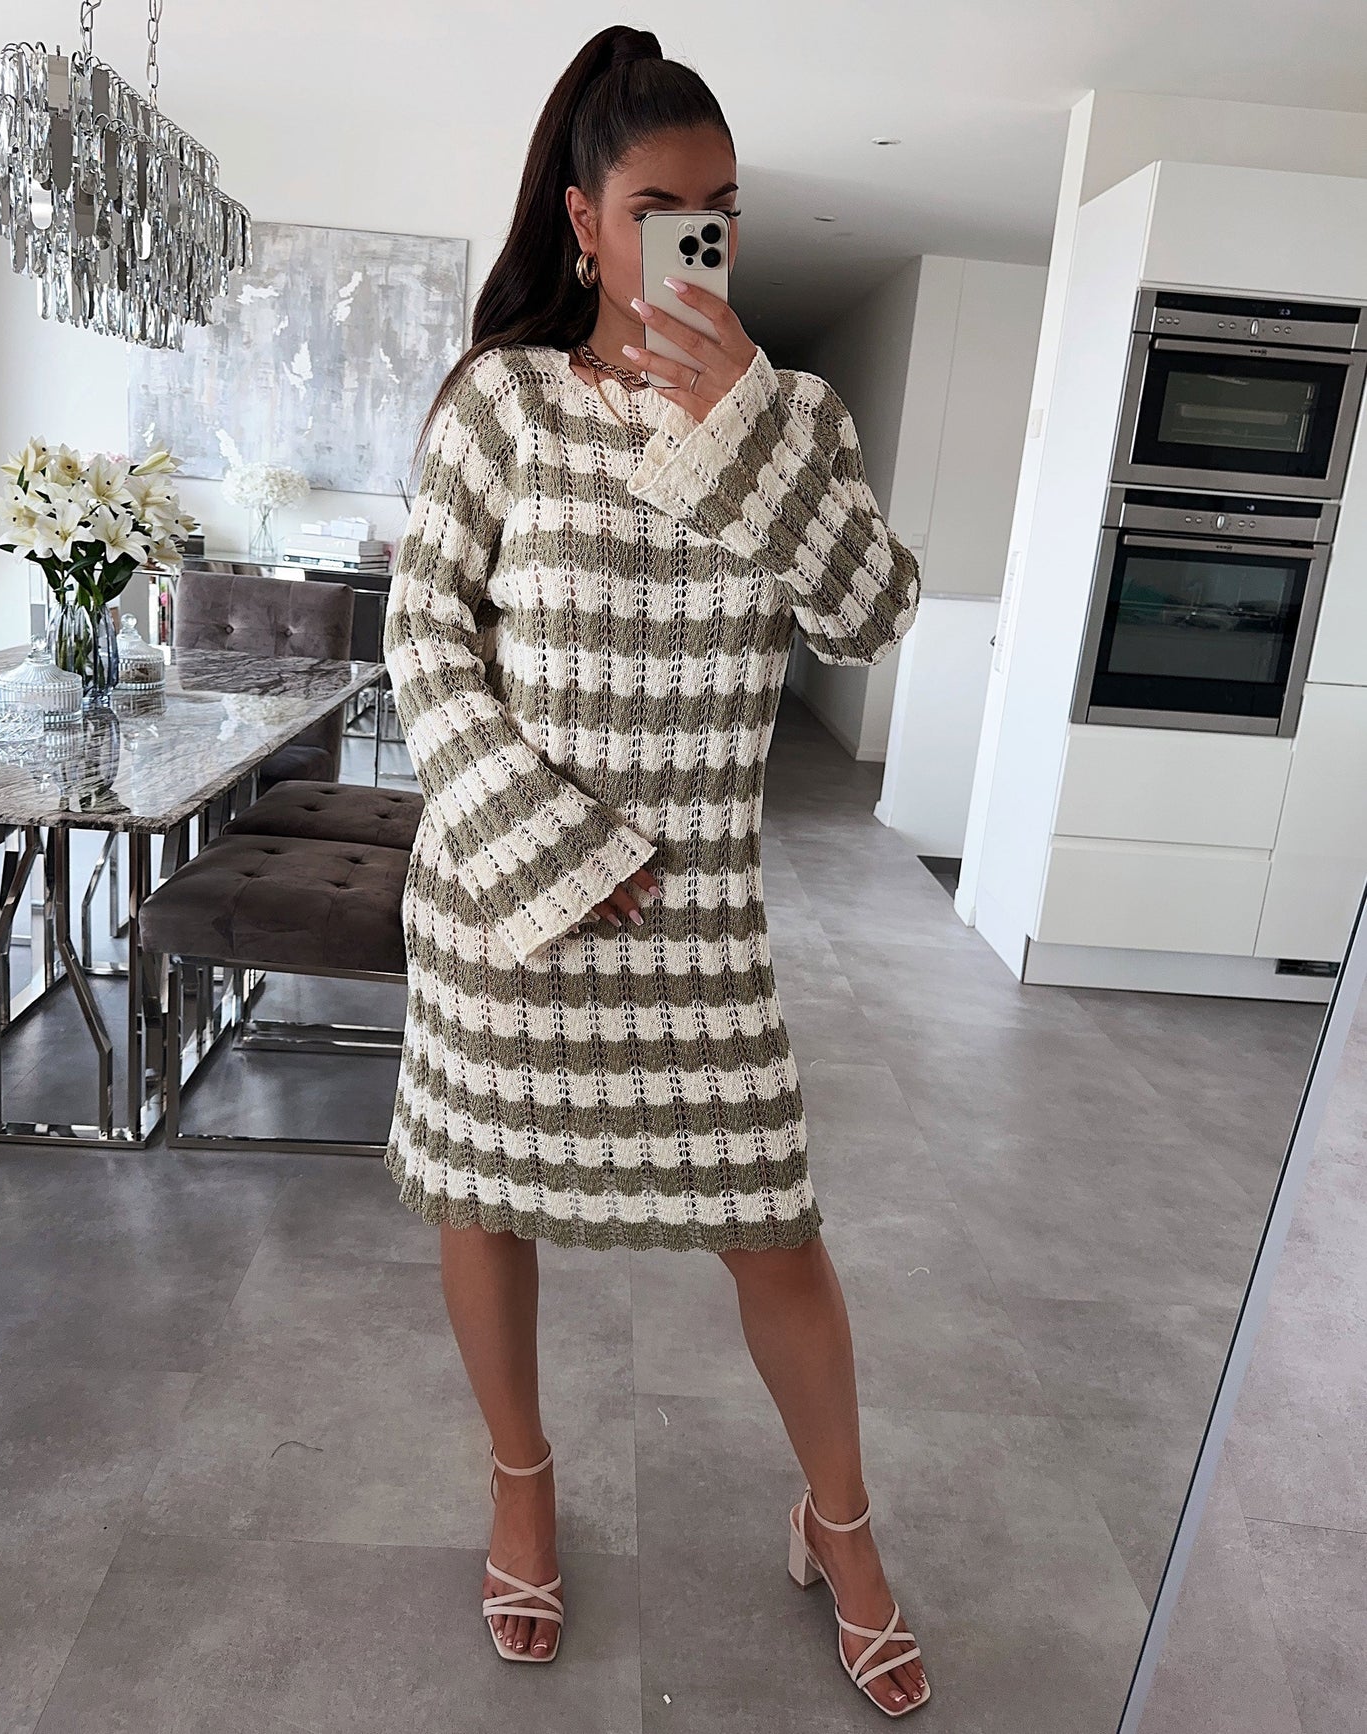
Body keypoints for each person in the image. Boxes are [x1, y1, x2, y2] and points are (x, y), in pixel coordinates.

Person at [382, 23, 928, 1718]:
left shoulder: (796, 415)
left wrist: (742, 420)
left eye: (723, 209)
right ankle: (521, 1485)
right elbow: (423, 642)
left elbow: (871, 613)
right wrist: (556, 844)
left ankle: (840, 1526)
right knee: (483, 1197)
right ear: (583, 221)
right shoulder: (500, 404)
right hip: (509, 911)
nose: (702, 236)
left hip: (699, 931)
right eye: (660, 209)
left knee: (772, 1225)